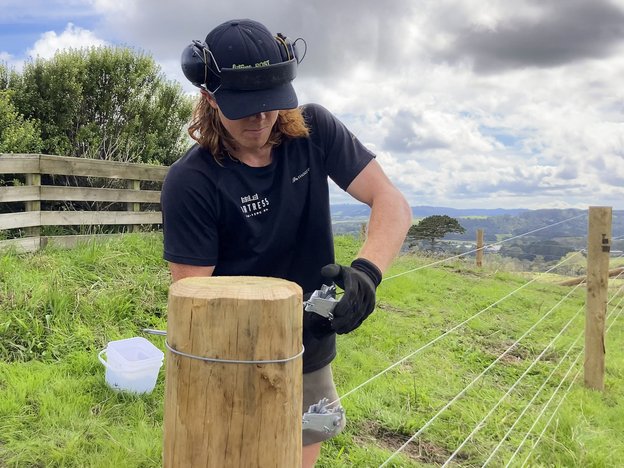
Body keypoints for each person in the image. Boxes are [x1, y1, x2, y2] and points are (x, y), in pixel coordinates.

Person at [161, 18, 412, 468]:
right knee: (231, 453)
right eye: (244, 105)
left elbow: (390, 202)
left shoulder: (314, 130)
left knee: (304, 442)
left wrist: (367, 275)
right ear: (209, 96)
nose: (260, 118)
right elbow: (194, 300)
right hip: (230, 357)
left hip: (309, 344)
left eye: (271, 102)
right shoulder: (191, 181)